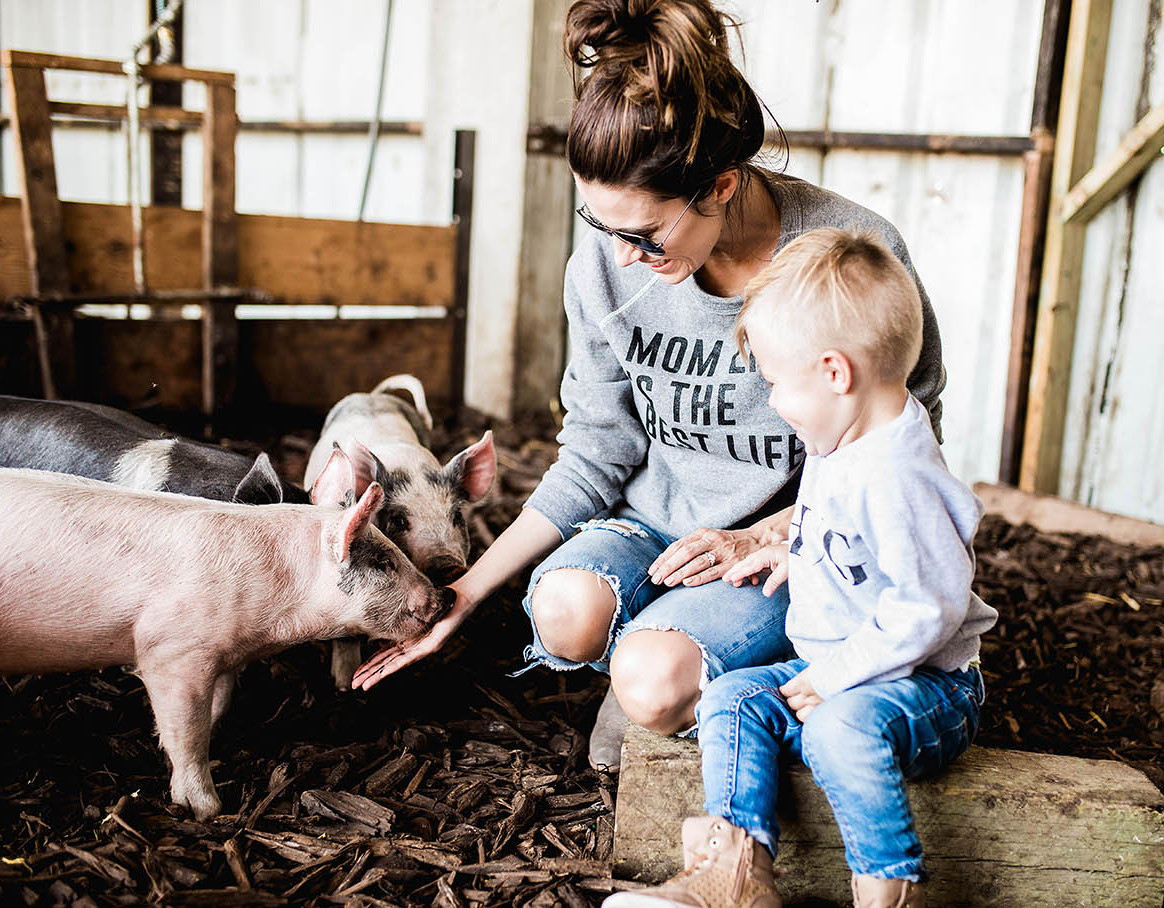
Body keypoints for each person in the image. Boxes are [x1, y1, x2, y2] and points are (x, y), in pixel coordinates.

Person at [352, 0, 949, 772]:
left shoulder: (848, 258)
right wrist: (463, 594)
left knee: (654, 682)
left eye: (644, 234)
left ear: (722, 185)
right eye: (602, 225)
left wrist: (764, 535)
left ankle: (692, 667)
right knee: (564, 611)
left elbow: (902, 451)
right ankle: (662, 641)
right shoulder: (603, 267)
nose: (622, 256)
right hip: (652, 526)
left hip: (788, 546)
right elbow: (594, 449)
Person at [605, 229, 998, 908]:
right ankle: (737, 873)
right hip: (837, 669)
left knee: (840, 727)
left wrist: (833, 677)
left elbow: (929, 608)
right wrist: (796, 550)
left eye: (777, 384)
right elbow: (848, 537)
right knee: (732, 700)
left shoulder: (898, 475)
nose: (775, 402)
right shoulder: (843, 438)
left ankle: (888, 890)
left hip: (929, 688)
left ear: (835, 373)